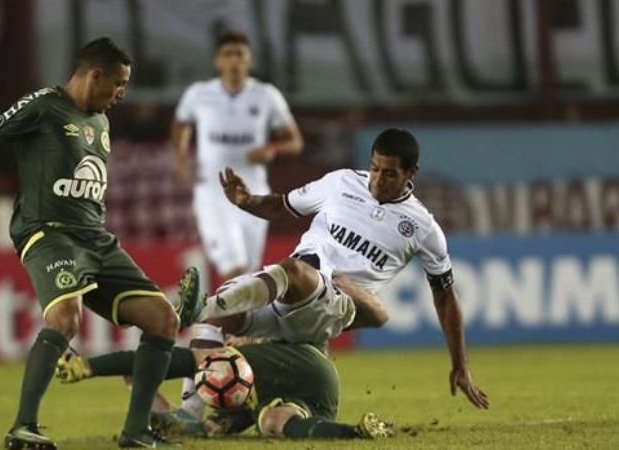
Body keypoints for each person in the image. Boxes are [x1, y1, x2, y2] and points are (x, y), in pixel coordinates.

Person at [0, 37, 200, 449]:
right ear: (94, 74)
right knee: (65, 318)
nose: (121, 93)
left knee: (163, 320)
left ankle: (137, 432)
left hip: (96, 239)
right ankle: (23, 427)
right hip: (48, 233)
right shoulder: (43, 105)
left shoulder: (100, 121)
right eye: (118, 84)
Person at [183, 128, 488, 418]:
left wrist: (460, 364)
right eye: (375, 168)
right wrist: (247, 201)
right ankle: (190, 416)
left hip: (333, 305)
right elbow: (283, 206)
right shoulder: (341, 182)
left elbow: (445, 297)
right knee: (213, 323)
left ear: (412, 173)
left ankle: (202, 304)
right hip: (288, 292)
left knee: (288, 271)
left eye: (390, 173)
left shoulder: (424, 228)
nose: (378, 179)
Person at [54, 341, 394, 441]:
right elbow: (188, 425)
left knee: (270, 422)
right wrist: (144, 389)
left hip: (302, 372)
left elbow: (157, 359)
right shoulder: (226, 359)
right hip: (315, 371)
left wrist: (93, 367)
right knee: (273, 419)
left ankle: (354, 432)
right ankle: (356, 431)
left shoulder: (216, 363)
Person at [172, 30, 304, 282]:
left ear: (249, 60)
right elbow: (181, 123)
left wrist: (271, 149)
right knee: (233, 269)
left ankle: (231, 320)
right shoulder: (199, 94)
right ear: (218, 61)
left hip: (253, 193)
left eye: (240, 54)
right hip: (212, 193)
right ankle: (219, 321)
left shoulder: (266, 96)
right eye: (227, 54)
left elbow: (295, 141)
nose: (234, 60)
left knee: (249, 275)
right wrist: (180, 157)